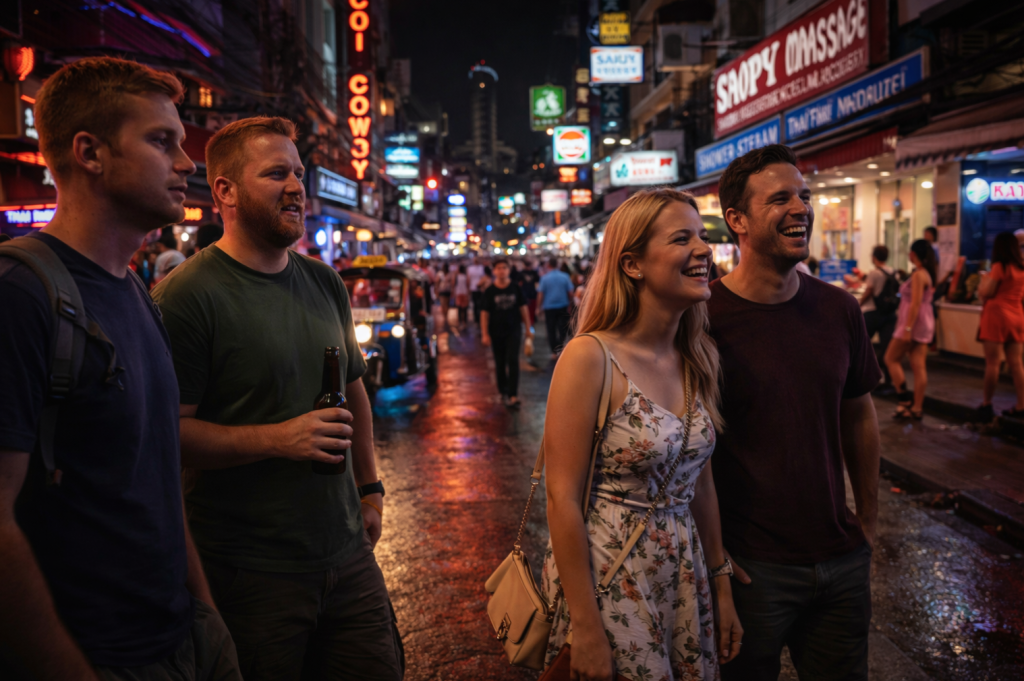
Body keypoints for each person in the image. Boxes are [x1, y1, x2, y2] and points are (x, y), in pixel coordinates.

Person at [0, 57, 240, 680]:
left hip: (179, 640)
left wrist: (206, 618)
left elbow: (153, 476)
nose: (187, 163)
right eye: (162, 142)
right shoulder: (20, 297)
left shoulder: (136, 291)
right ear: (89, 152)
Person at [151, 116, 401, 680]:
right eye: (275, 173)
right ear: (225, 191)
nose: (296, 186)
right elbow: (169, 436)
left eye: (299, 173)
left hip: (348, 557)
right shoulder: (186, 297)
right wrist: (277, 439)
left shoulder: (324, 281)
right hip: (250, 572)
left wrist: (372, 489)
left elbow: (355, 394)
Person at [542, 188, 742, 681]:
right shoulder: (589, 357)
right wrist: (586, 626)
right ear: (632, 264)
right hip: (611, 577)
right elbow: (560, 498)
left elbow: (702, 484)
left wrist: (720, 583)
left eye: (702, 235)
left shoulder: (697, 357)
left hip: (683, 574)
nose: (703, 249)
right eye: (681, 238)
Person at [710, 144, 881, 681]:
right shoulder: (700, 319)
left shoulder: (839, 309)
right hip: (749, 568)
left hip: (841, 560)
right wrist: (714, 563)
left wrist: (868, 523)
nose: (801, 207)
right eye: (780, 198)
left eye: (804, 195)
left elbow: (859, 417)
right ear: (737, 220)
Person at [884, 239, 937, 420]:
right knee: (918, 365)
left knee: (890, 358)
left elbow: (915, 304)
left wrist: (907, 329)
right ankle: (917, 408)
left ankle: (904, 400)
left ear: (913, 254)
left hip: (913, 323)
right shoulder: (927, 274)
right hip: (924, 322)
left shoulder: (918, 275)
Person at [977, 231, 1024, 421]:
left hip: (997, 316)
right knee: (1017, 363)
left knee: (993, 363)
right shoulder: (1021, 267)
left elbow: (987, 292)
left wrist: (983, 281)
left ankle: (987, 404)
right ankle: (1022, 405)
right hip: (1017, 315)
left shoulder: (999, 266)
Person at [480, 259, 533, 408]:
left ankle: (513, 394)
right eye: (499, 268)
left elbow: (523, 308)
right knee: (500, 362)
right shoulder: (490, 291)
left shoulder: (516, 288)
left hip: (514, 330)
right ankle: (502, 389)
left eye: (504, 268)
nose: (502, 270)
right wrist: (484, 334)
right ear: (494, 271)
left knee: (513, 360)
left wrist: (528, 328)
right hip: (496, 332)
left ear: (509, 270)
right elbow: (484, 313)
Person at [860, 245, 899, 391]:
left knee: (859, 343)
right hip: (889, 314)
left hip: (872, 313)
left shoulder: (874, 273)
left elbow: (869, 291)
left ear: (874, 257)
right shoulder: (893, 272)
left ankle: (859, 375)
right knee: (887, 347)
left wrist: (857, 304)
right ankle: (888, 381)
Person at [537, 256, 574, 357]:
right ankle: (561, 348)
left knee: (551, 329)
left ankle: (554, 351)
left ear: (548, 265)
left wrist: (538, 307)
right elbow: (570, 292)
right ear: (557, 265)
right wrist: (571, 304)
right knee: (562, 328)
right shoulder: (565, 276)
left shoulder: (544, 278)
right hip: (563, 306)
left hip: (549, 307)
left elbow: (541, 294)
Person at [519, 258, 540, 325]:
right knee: (531, 311)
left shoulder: (521, 273)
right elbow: (537, 284)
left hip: (525, 295)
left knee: (525, 311)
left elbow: (519, 284)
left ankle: (527, 325)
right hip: (532, 294)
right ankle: (530, 324)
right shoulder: (534, 273)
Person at [467, 257, 486, 323]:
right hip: (474, 288)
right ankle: (477, 318)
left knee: (479, 304)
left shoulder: (480, 268)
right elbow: (468, 279)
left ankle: (479, 317)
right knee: (476, 304)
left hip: (479, 289)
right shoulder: (472, 268)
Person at [453, 263, 470, 328]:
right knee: (464, 309)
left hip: (458, 293)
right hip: (464, 293)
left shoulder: (456, 276)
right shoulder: (465, 276)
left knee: (459, 309)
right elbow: (468, 285)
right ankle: (464, 322)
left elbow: (453, 284)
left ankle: (460, 322)